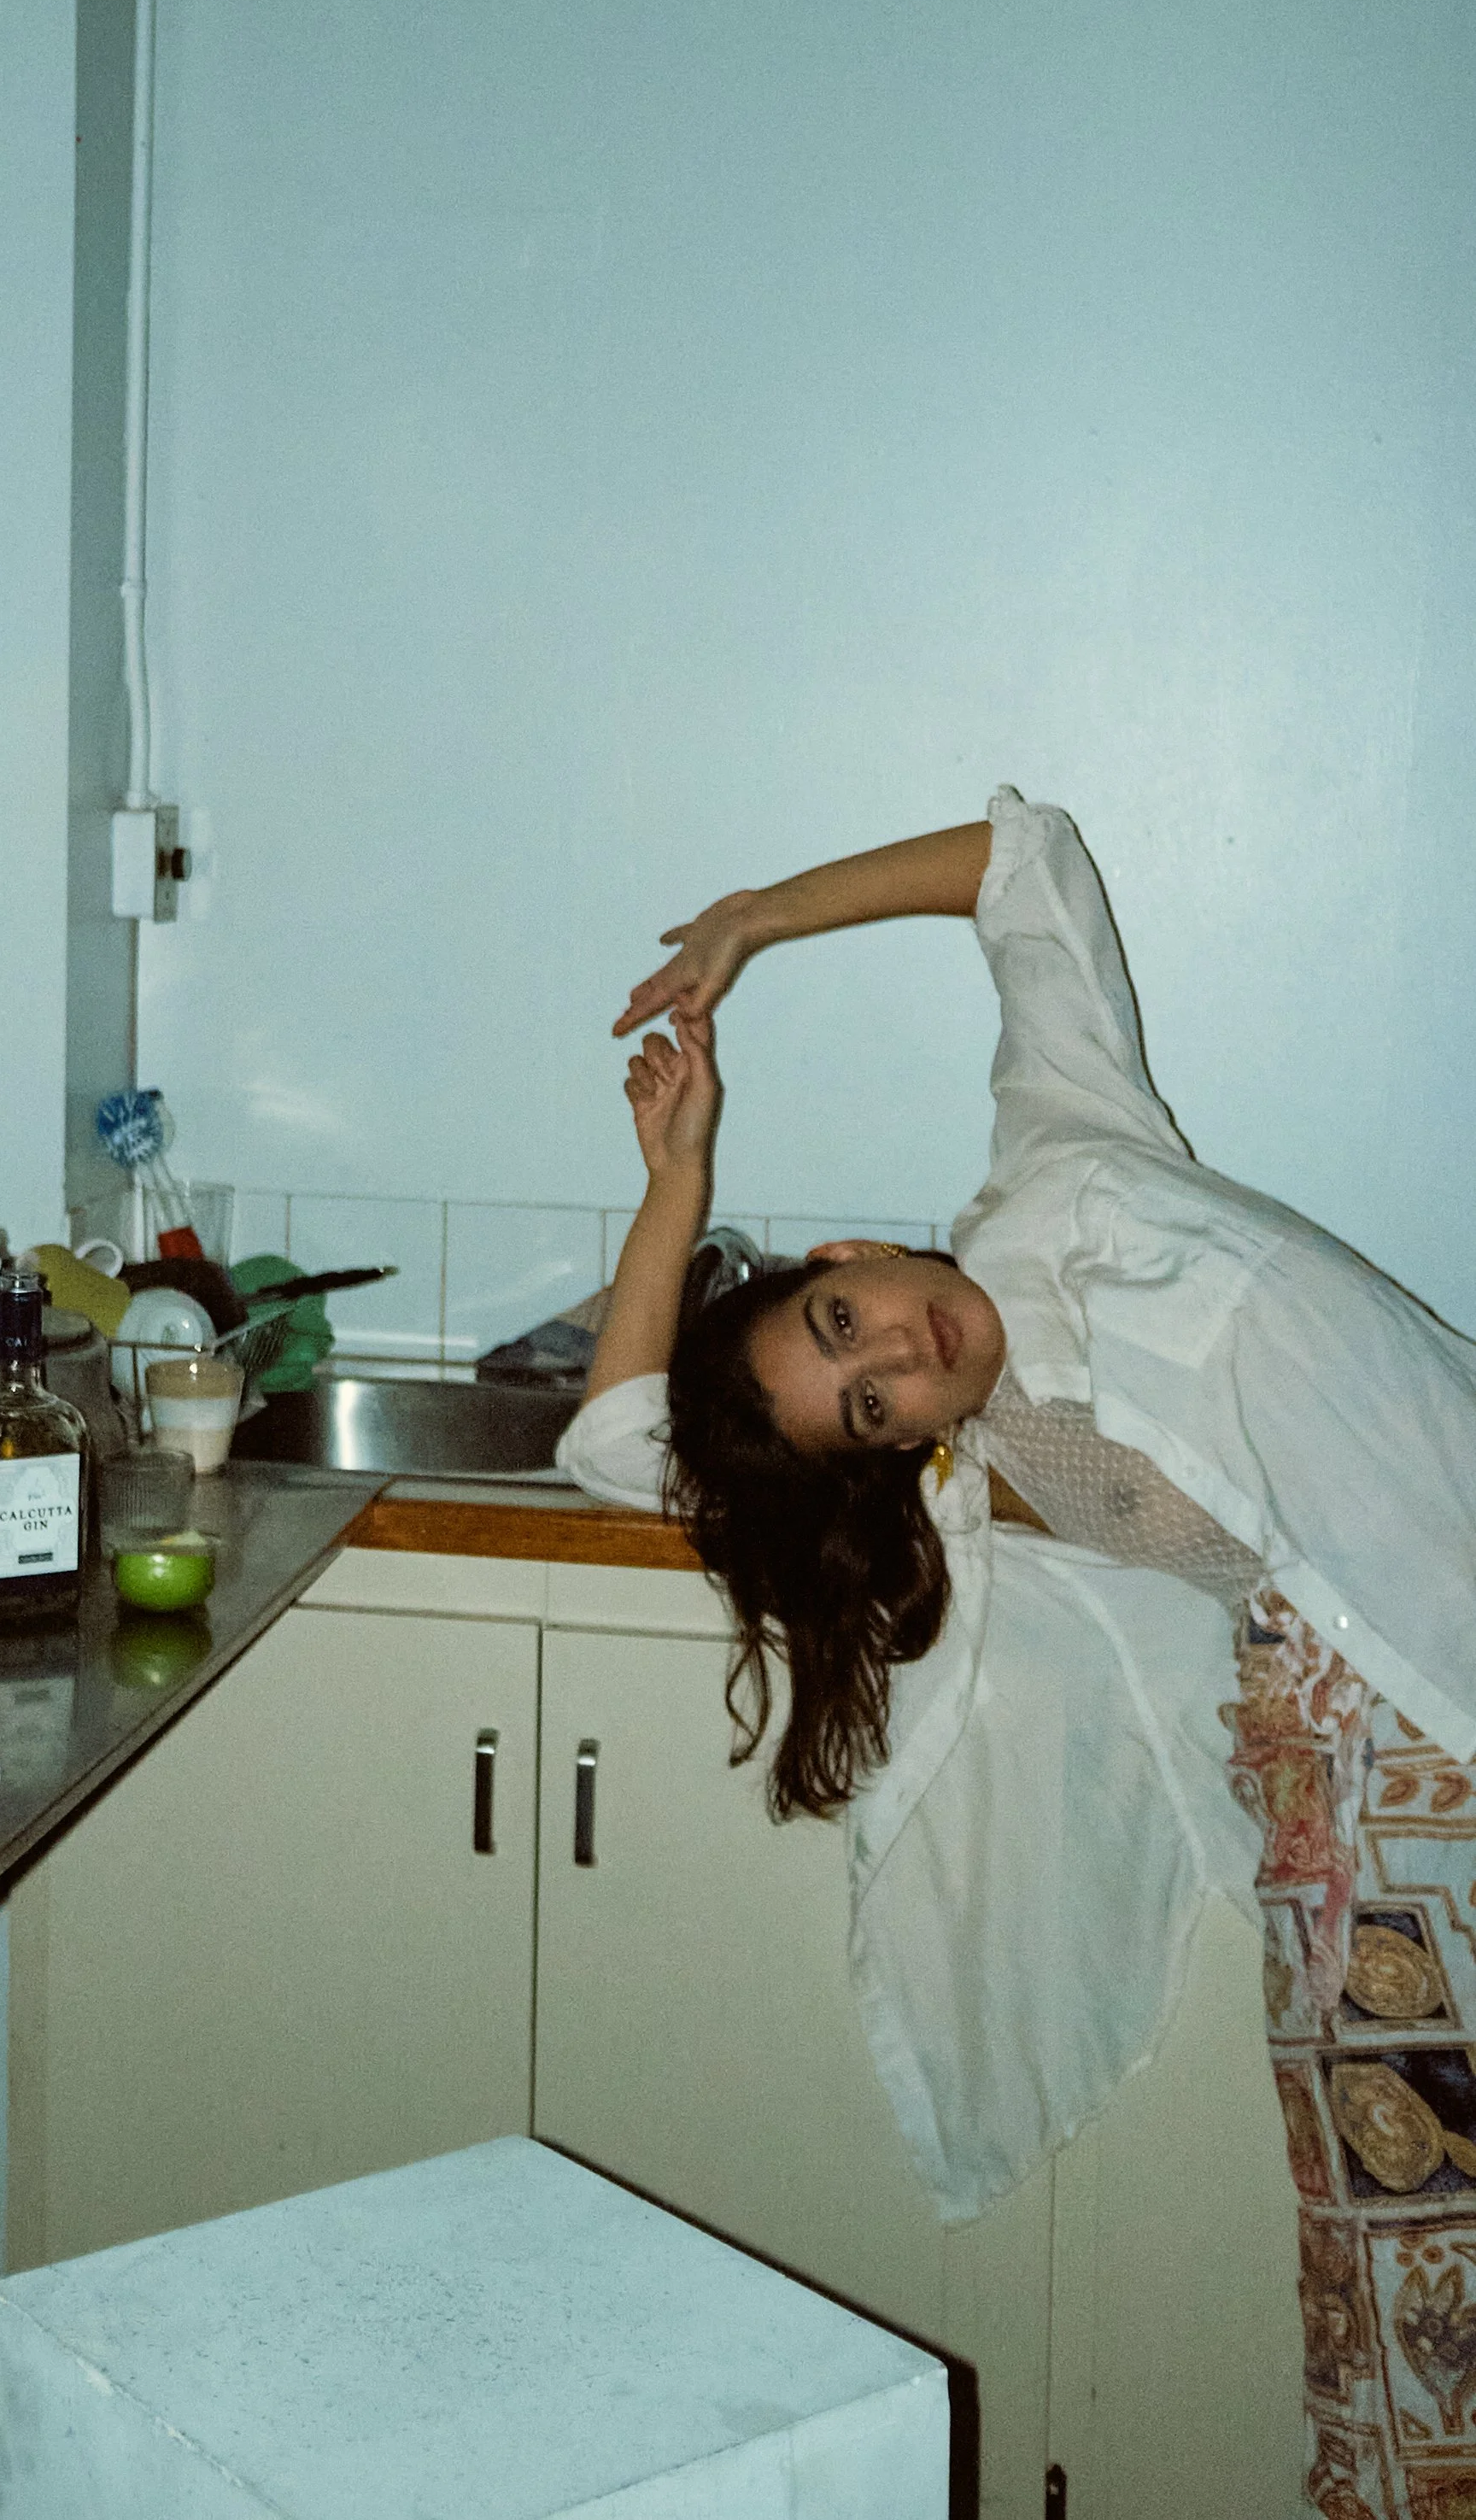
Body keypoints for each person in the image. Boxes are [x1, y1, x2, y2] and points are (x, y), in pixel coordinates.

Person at [555, 790, 1476, 2514]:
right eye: (871, 1398)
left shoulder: (1062, 1151)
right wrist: (668, 1190)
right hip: (1362, 1801)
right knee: (1407, 2252)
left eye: (848, 1321)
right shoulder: (993, 1479)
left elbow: (1023, 859)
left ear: (846, 1252)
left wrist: (758, 912)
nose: (901, 1350)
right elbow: (616, 1442)